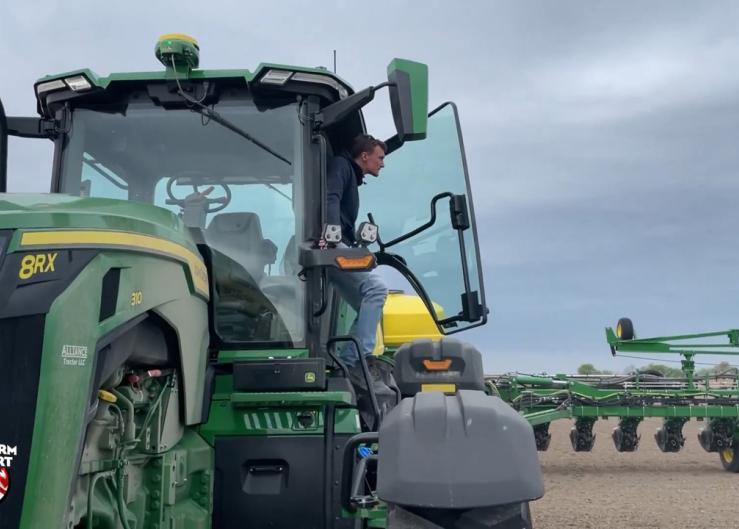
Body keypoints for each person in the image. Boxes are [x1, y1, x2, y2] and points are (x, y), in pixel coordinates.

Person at [325, 134, 388, 373]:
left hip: (338, 243)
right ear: (364, 156)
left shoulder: (350, 173)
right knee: (376, 289)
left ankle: (348, 363)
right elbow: (331, 196)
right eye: (380, 157)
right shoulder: (341, 166)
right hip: (330, 245)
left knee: (365, 303)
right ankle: (357, 359)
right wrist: (331, 236)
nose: (382, 163)